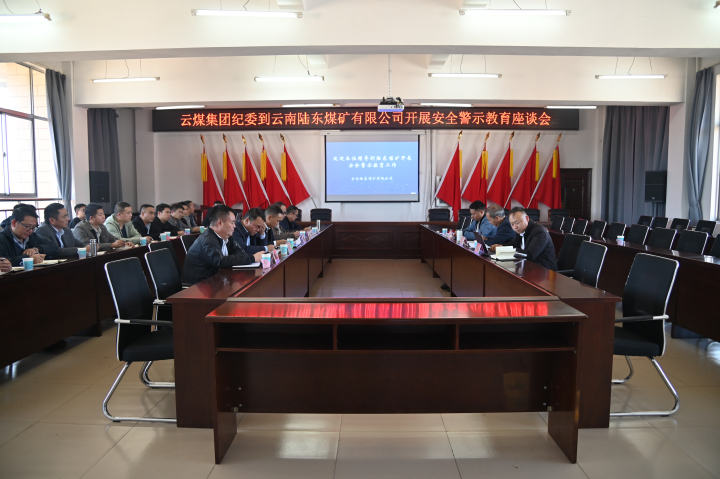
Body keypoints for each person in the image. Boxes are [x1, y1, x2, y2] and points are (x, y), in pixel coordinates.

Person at [182, 205, 263, 285]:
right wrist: (253, 258)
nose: (234, 226)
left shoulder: (226, 236)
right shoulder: (208, 240)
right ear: (220, 223)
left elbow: (239, 251)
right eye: (232, 223)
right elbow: (220, 261)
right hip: (199, 286)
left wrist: (242, 258)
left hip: (217, 280)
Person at [491, 207, 558, 271]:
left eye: (517, 223)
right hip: (528, 267)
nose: (515, 227)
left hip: (544, 270)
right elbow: (512, 244)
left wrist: (503, 249)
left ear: (527, 218)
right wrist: (499, 246)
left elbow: (530, 255)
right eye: (512, 224)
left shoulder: (539, 232)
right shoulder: (520, 230)